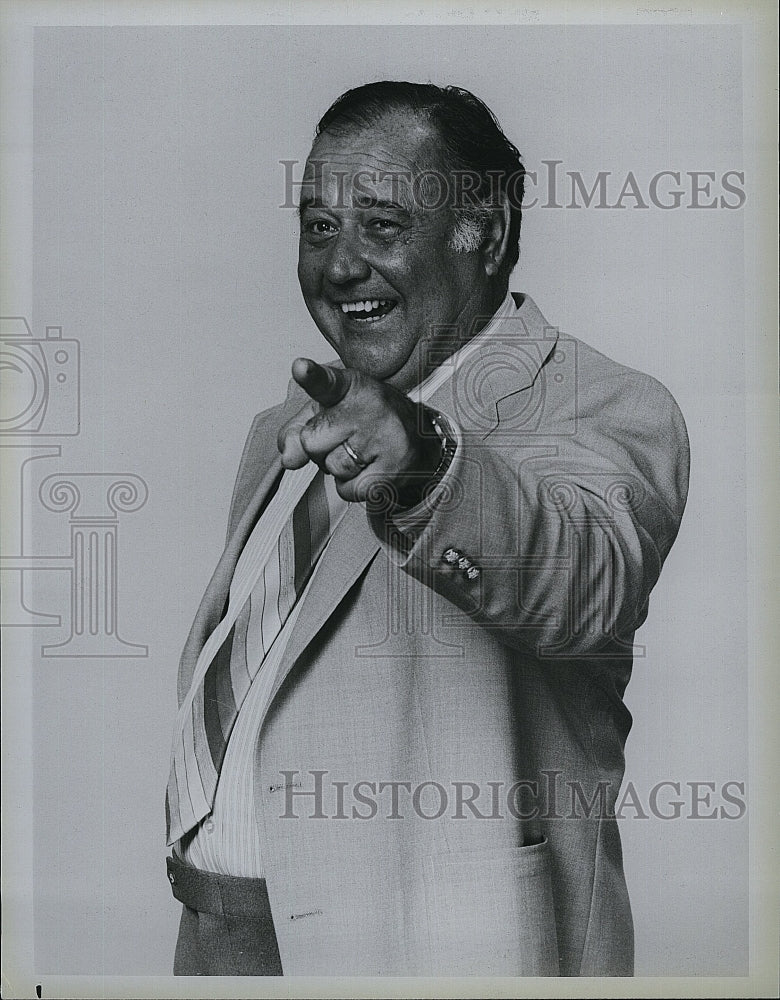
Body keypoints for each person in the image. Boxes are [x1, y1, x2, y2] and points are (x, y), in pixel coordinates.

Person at [164, 81, 690, 977]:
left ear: (478, 230)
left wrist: (423, 460)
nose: (338, 267)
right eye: (319, 227)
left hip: (441, 953)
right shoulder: (286, 423)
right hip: (222, 935)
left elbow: (579, 579)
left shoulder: (605, 404)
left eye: (381, 225)